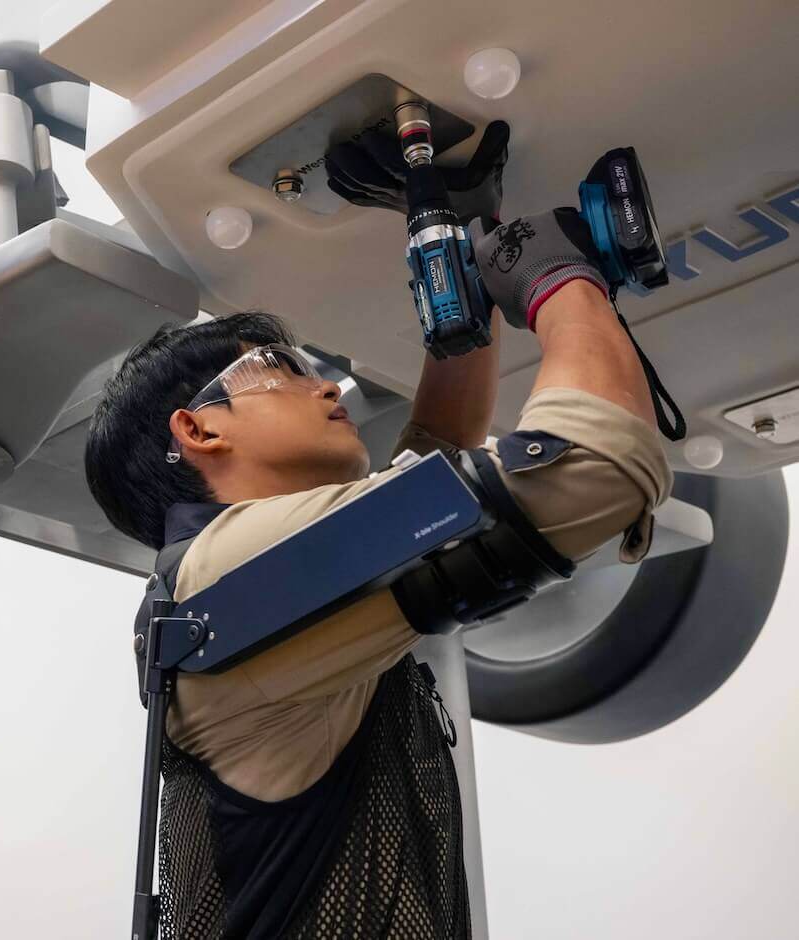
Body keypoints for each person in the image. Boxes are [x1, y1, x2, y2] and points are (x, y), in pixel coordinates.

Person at [84, 128, 673, 939]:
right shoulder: (223, 578)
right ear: (198, 430)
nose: (328, 384)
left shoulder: (229, 590)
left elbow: (437, 470)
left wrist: (466, 232)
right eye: (279, 369)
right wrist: (557, 278)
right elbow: (596, 466)